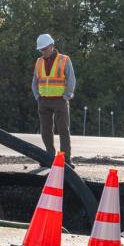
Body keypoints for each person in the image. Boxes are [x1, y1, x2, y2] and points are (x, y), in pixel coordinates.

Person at [32, 34, 76, 167]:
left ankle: (66, 160)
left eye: (44, 49)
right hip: (43, 101)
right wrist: (37, 96)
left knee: (63, 130)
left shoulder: (64, 59)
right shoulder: (39, 61)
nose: (43, 52)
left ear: (52, 46)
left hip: (60, 101)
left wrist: (66, 96)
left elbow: (71, 79)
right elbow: (35, 81)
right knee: (45, 131)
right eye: (41, 50)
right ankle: (49, 158)